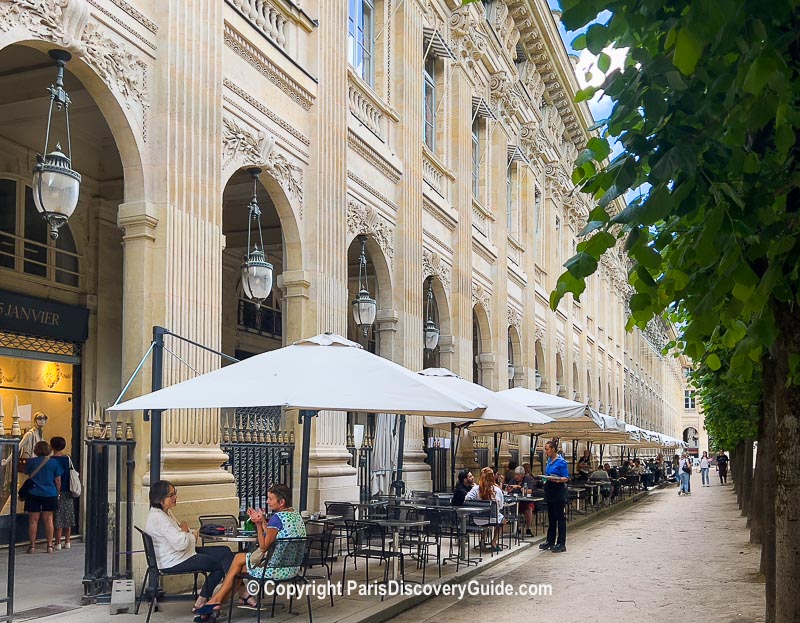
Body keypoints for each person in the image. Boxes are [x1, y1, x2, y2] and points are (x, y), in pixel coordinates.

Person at [194, 483, 307, 619]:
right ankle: (217, 602)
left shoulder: (278, 518)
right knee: (238, 568)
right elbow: (272, 535)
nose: (267, 501)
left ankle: (216, 601)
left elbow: (264, 545)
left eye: (270, 499)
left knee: (237, 561)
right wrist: (264, 521)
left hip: (274, 569)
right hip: (291, 569)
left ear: (281, 502)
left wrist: (258, 524)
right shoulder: (295, 515)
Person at [145, 480, 235, 614]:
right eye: (171, 495)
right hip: (175, 560)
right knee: (218, 566)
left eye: (175, 493)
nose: (175, 497)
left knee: (224, 552)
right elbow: (180, 543)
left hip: (184, 553)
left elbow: (182, 534)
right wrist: (186, 532)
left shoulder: (166, 512)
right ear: (160, 499)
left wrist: (186, 532)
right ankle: (203, 600)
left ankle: (237, 590)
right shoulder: (159, 519)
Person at [23, 440, 61, 554]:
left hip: (33, 493)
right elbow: (58, 480)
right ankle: (49, 545)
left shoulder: (31, 462)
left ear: (36, 450)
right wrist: (57, 493)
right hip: (50, 493)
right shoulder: (54, 463)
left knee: (33, 521)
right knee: (49, 520)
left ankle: (32, 546)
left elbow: (26, 473)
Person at [465, 467, 507, 552]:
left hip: (477, 519)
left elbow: (467, 499)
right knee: (503, 521)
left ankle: (483, 540)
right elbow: (501, 506)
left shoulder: (475, 489)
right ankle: (494, 541)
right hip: (492, 519)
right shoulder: (497, 490)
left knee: (485, 523)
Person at [539, 438, 569, 553]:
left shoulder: (561, 462)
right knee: (551, 517)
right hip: (550, 491)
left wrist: (557, 480)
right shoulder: (549, 461)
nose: (546, 452)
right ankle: (550, 541)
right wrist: (545, 479)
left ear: (553, 449)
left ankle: (561, 543)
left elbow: (566, 477)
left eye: (547, 449)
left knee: (560, 517)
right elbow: (547, 474)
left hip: (558, 491)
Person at [49, 437, 75, 550]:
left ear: (52, 446)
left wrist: (57, 492)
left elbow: (56, 479)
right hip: (68, 489)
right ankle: (68, 541)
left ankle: (58, 542)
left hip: (56, 490)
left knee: (58, 516)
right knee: (68, 515)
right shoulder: (68, 458)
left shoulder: (51, 460)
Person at [506, 466, 536, 536]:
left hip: (526, 501)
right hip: (515, 501)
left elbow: (529, 491)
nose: (516, 476)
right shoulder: (513, 480)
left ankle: (528, 528)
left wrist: (519, 487)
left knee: (528, 509)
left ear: (523, 475)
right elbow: (508, 490)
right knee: (513, 508)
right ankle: (517, 528)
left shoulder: (528, 479)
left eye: (518, 475)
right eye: (515, 474)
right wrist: (508, 489)